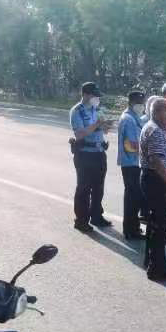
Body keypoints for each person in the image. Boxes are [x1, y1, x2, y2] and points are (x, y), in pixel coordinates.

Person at [139, 98, 166, 281]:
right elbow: (156, 161)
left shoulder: (155, 128)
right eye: (164, 110)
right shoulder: (155, 130)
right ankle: (156, 268)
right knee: (160, 225)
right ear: (155, 112)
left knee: (155, 222)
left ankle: (153, 260)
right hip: (156, 178)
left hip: (152, 177)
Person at [69, 82, 113, 233]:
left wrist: (105, 126)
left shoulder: (96, 110)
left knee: (98, 188)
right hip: (85, 154)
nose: (97, 99)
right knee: (84, 189)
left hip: (99, 152)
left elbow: (102, 130)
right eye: (94, 96)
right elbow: (80, 134)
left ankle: (96, 216)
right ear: (86, 95)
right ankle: (81, 221)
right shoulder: (77, 111)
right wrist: (97, 124)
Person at [118, 91, 147, 240]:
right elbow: (131, 145)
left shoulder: (133, 117)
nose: (141, 105)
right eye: (138, 103)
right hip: (131, 163)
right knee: (132, 198)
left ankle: (132, 228)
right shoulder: (129, 119)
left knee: (133, 197)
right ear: (130, 102)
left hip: (133, 162)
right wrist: (147, 150)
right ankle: (130, 230)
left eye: (142, 103)